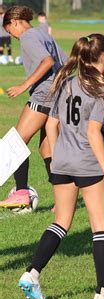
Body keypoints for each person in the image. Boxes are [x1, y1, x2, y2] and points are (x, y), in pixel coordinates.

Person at [18, 33, 104, 299]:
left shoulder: (65, 82)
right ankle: (103, 294)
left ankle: (32, 273)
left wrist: (57, 159)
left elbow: (51, 126)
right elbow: (93, 132)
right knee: (101, 228)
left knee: (61, 222)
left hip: (61, 163)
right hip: (87, 163)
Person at [0, 6, 67, 209]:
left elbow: (47, 61)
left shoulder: (29, 36)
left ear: (15, 23)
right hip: (57, 96)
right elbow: (64, 63)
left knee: (16, 144)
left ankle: (21, 192)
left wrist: (24, 85)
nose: (13, 37)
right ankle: (62, 199)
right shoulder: (43, 33)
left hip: (43, 96)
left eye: (10, 32)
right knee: (47, 148)